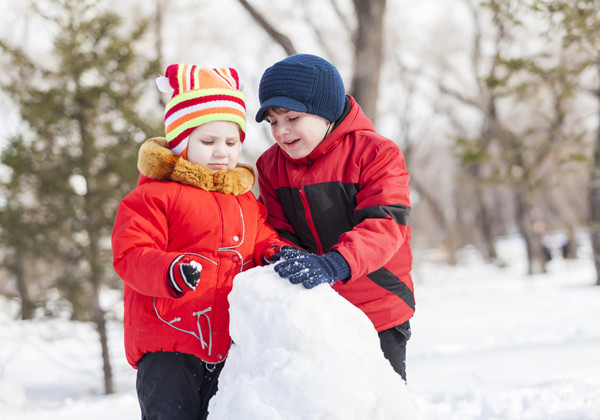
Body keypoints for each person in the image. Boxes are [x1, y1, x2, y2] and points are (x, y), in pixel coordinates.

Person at [112, 64, 285, 420]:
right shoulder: (156, 196)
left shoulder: (243, 199)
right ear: (181, 143)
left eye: (231, 142)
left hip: (226, 345)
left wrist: (277, 254)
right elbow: (131, 252)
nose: (221, 151)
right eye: (208, 142)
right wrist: (169, 271)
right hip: (168, 342)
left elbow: (261, 238)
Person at [255, 54, 415, 381]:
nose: (281, 132)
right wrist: (282, 252)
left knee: (376, 404)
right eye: (272, 122)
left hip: (377, 308)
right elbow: (275, 228)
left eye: (292, 118)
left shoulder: (375, 153)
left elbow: (384, 223)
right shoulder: (270, 166)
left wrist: (334, 263)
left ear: (324, 111)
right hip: (315, 310)